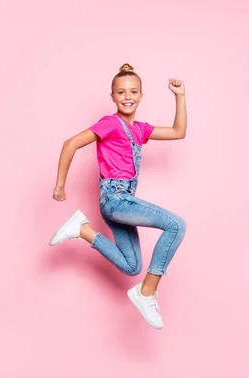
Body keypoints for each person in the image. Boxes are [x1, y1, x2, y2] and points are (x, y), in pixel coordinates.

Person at [49, 63, 187, 329]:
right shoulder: (110, 124)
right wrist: (60, 185)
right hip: (115, 198)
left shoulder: (140, 130)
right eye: (121, 92)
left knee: (131, 266)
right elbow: (71, 144)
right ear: (112, 96)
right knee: (176, 224)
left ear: (141, 96)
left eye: (133, 91)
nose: (127, 97)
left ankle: (84, 229)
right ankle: (147, 292)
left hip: (121, 203)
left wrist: (179, 97)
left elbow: (178, 132)